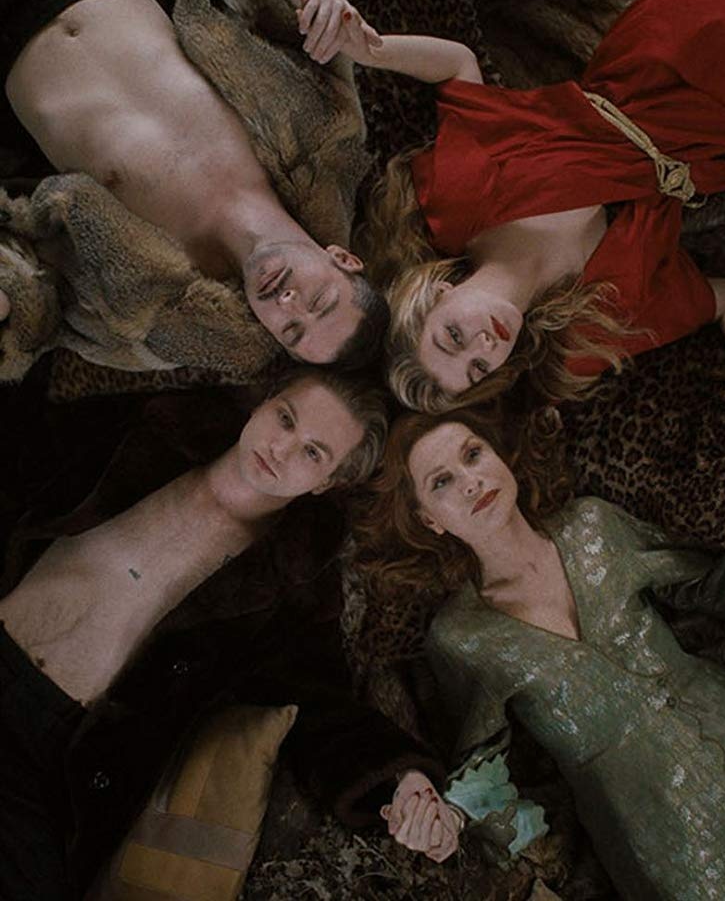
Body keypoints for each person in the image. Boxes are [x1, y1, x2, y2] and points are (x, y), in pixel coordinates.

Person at [0, 367, 460, 899]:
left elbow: (323, 710)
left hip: (41, 754)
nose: (281, 448)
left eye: (313, 452)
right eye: (285, 419)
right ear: (263, 403)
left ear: (328, 482)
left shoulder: (294, 586)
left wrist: (403, 781)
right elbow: (20, 443)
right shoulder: (145, 426)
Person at [291, 0, 725, 411]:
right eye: (478, 368)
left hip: (663, 61)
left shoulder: (460, 203)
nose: (485, 345)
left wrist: (370, 50)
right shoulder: (587, 336)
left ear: (438, 294)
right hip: (724, 147)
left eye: (454, 336)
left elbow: (458, 67)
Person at [354, 406, 725, 899]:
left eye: (473, 455)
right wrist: (451, 821)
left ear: (501, 456)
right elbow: (480, 762)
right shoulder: (460, 636)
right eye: (442, 482)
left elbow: (711, 580)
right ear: (428, 520)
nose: (471, 483)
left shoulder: (591, 524)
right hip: (659, 830)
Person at [0, 0, 389, 368]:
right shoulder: (321, 139)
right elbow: (262, 2)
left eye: (291, 330)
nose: (289, 303)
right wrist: (313, 1)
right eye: (319, 300)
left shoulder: (157, 307)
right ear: (343, 259)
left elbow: (37, 310)